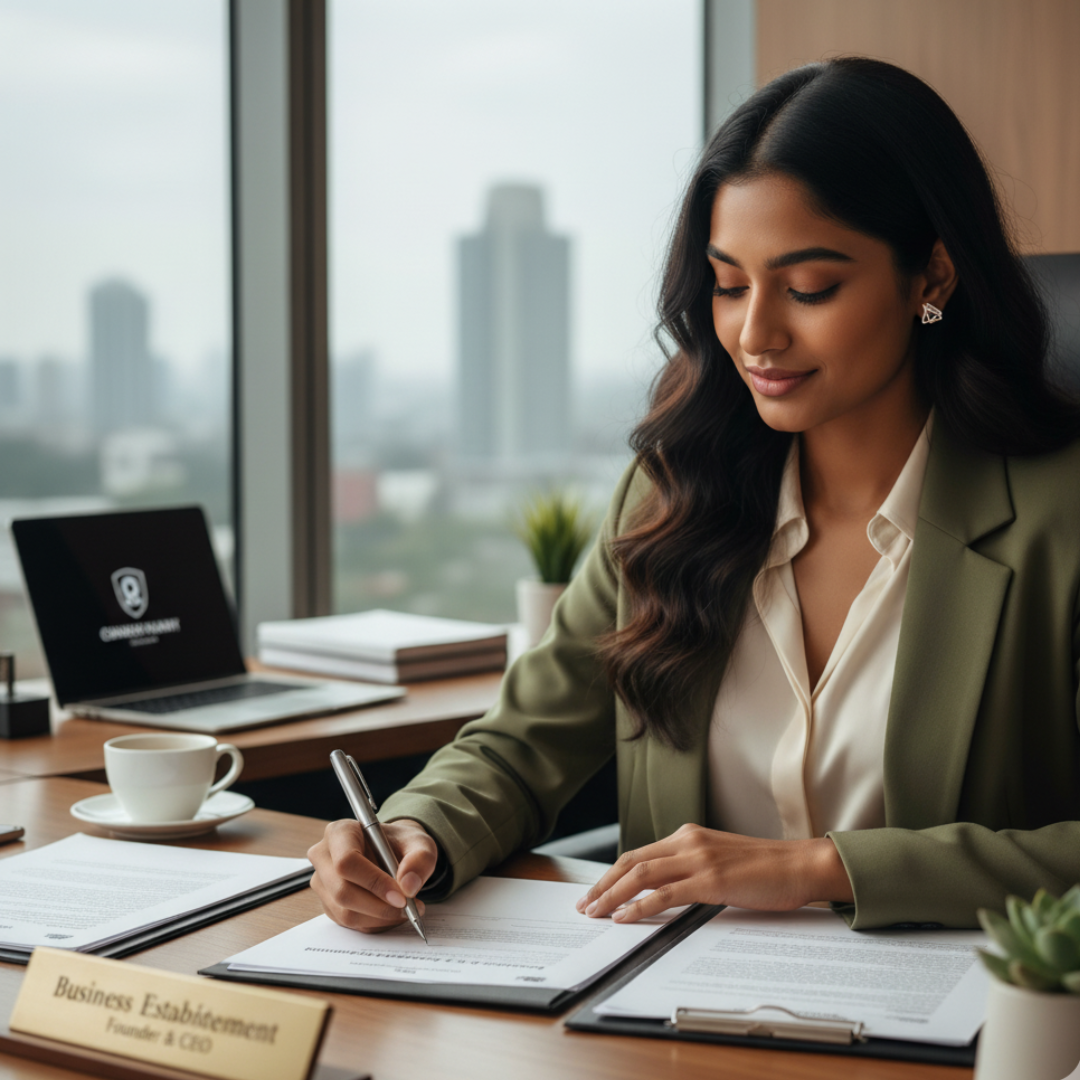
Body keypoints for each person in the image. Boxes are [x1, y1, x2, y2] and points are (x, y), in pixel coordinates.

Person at [308, 57, 1080, 933]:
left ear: (931, 277)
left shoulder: (1062, 515)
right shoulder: (672, 493)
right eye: (729, 284)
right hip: (668, 1023)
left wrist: (819, 869)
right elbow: (525, 742)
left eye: (809, 288)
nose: (756, 334)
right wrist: (412, 831)